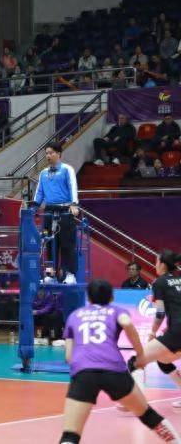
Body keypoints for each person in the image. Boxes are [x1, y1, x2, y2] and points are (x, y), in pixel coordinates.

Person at [60, 279, 180, 444]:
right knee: (148, 416)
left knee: (70, 435)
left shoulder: (74, 316)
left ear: (89, 297)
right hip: (114, 371)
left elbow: (69, 356)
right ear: (111, 297)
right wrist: (140, 354)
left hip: (83, 373)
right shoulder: (117, 311)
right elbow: (127, 323)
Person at [129, 251, 181, 408]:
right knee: (163, 360)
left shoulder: (160, 282)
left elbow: (160, 312)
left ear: (163, 264)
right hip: (176, 330)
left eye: (157, 262)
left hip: (177, 331)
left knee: (136, 361)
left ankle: (137, 402)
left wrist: (153, 332)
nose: (155, 265)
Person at [33, 142, 80, 284]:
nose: (48, 155)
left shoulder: (67, 169)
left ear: (59, 154)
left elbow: (73, 186)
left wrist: (74, 204)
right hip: (49, 211)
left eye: (51, 152)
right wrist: (34, 208)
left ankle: (70, 274)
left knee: (67, 245)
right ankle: (50, 275)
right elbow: (39, 193)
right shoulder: (43, 173)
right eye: (46, 153)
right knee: (49, 244)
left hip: (65, 211)